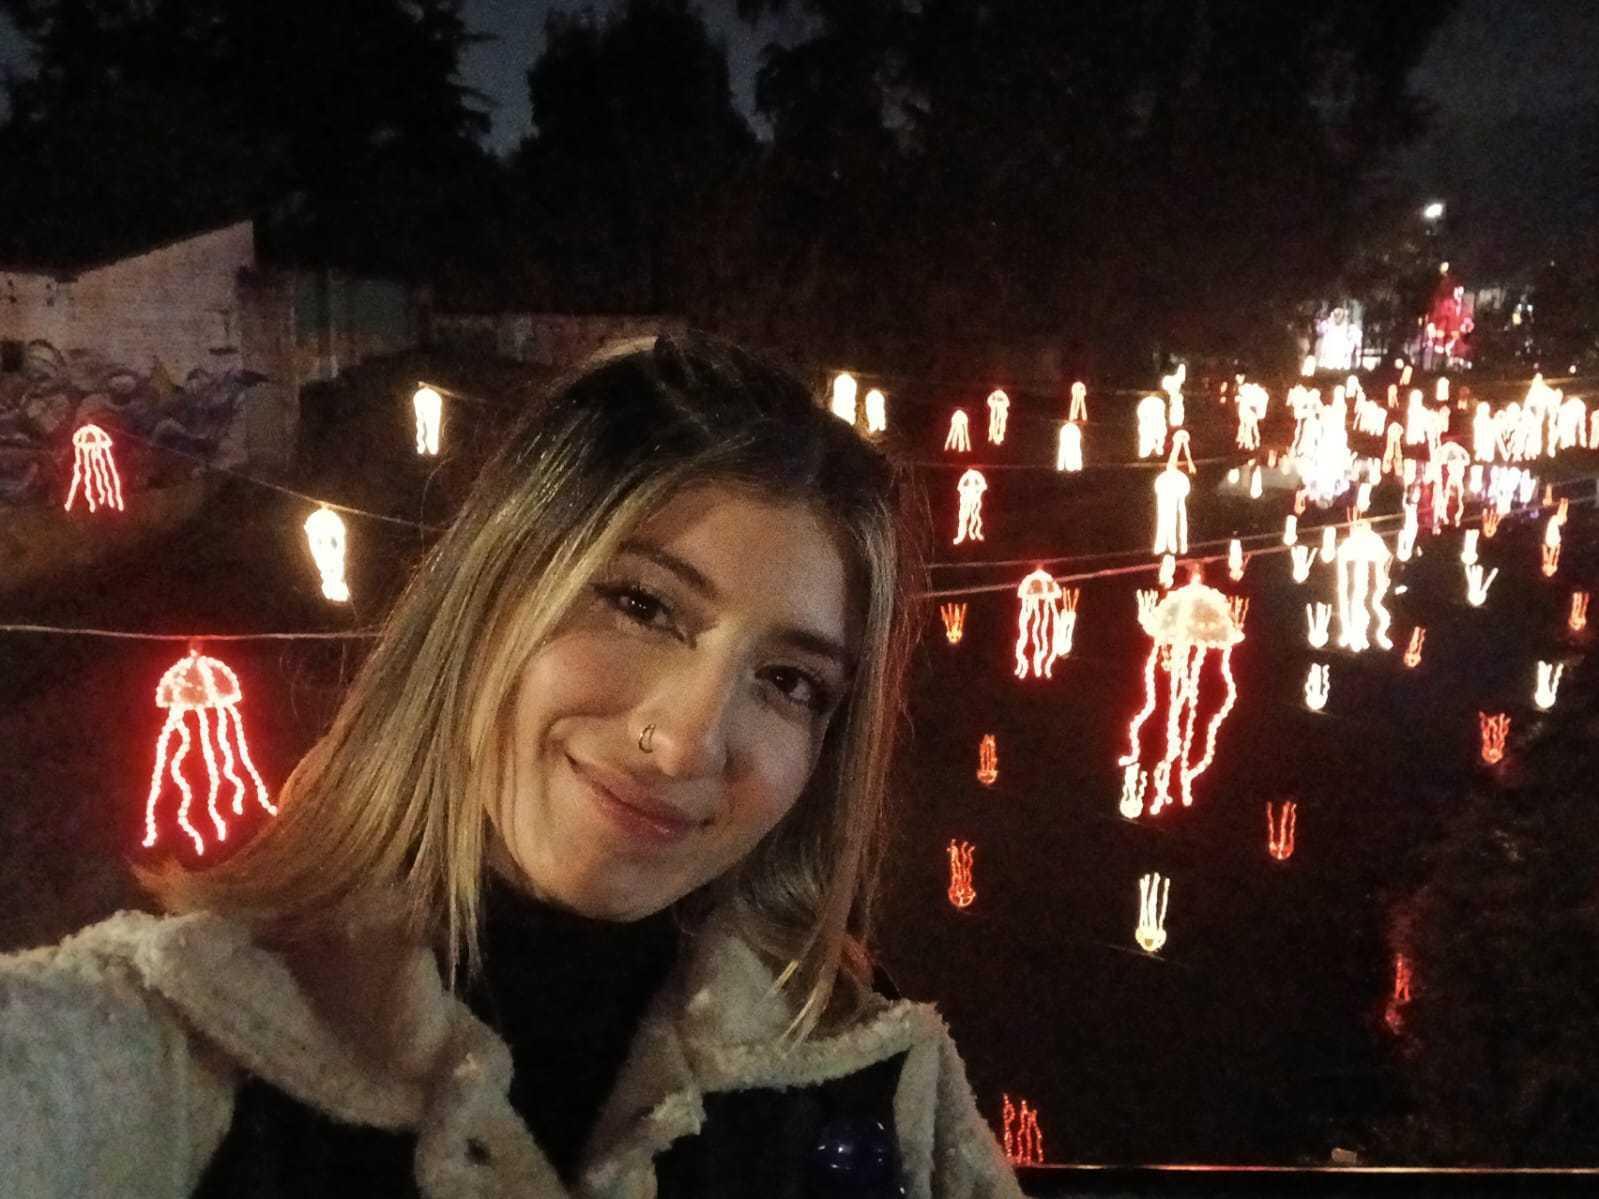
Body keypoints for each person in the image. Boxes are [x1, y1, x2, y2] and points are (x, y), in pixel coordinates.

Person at [0, 332, 1022, 1198]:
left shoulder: (881, 1091)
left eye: (789, 680)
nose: (687, 742)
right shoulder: (184, 1047)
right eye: (642, 604)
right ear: (492, 594)